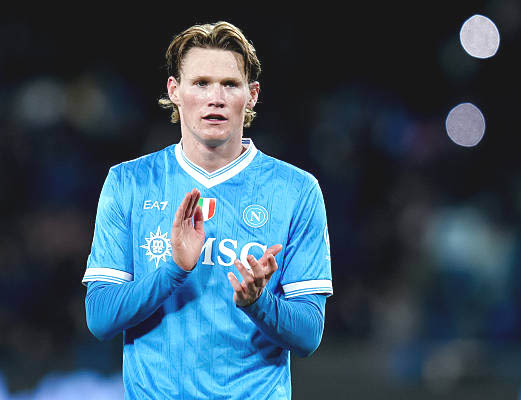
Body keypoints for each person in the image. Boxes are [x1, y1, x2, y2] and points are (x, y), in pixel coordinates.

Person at [82, 21, 333, 399]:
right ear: (175, 91)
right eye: (201, 83)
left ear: (251, 95)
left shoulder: (296, 190)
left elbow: (309, 335)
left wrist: (259, 302)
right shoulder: (129, 182)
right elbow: (100, 318)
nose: (215, 97)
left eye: (230, 84)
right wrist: (173, 270)